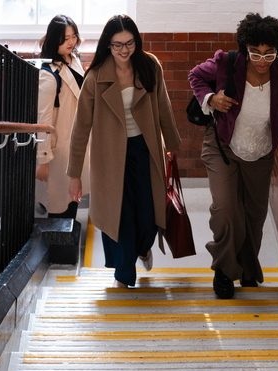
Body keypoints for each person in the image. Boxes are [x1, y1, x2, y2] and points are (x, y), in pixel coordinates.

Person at [188, 12, 278, 299]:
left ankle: (248, 267)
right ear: (245, 48)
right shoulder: (227, 63)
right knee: (226, 209)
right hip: (223, 147)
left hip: (260, 152)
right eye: (255, 53)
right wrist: (211, 99)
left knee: (254, 215)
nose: (262, 60)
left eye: (269, 54)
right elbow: (196, 76)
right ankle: (224, 272)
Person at [67, 14, 181, 288]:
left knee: (148, 214)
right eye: (117, 44)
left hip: (146, 150)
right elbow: (80, 127)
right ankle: (123, 275)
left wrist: (172, 147)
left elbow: (163, 108)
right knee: (120, 218)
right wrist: (74, 174)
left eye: (129, 43)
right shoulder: (96, 77)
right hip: (110, 158)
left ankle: (143, 248)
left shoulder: (149, 66)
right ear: (108, 45)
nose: (124, 50)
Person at [36, 15, 89, 220]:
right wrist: (42, 159)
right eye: (65, 38)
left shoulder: (74, 60)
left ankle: (69, 234)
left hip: (75, 140)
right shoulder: (48, 74)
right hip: (59, 147)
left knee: (73, 197)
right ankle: (61, 238)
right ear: (54, 39)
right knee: (59, 204)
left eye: (74, 36)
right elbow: (43, 120)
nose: (71, 42)